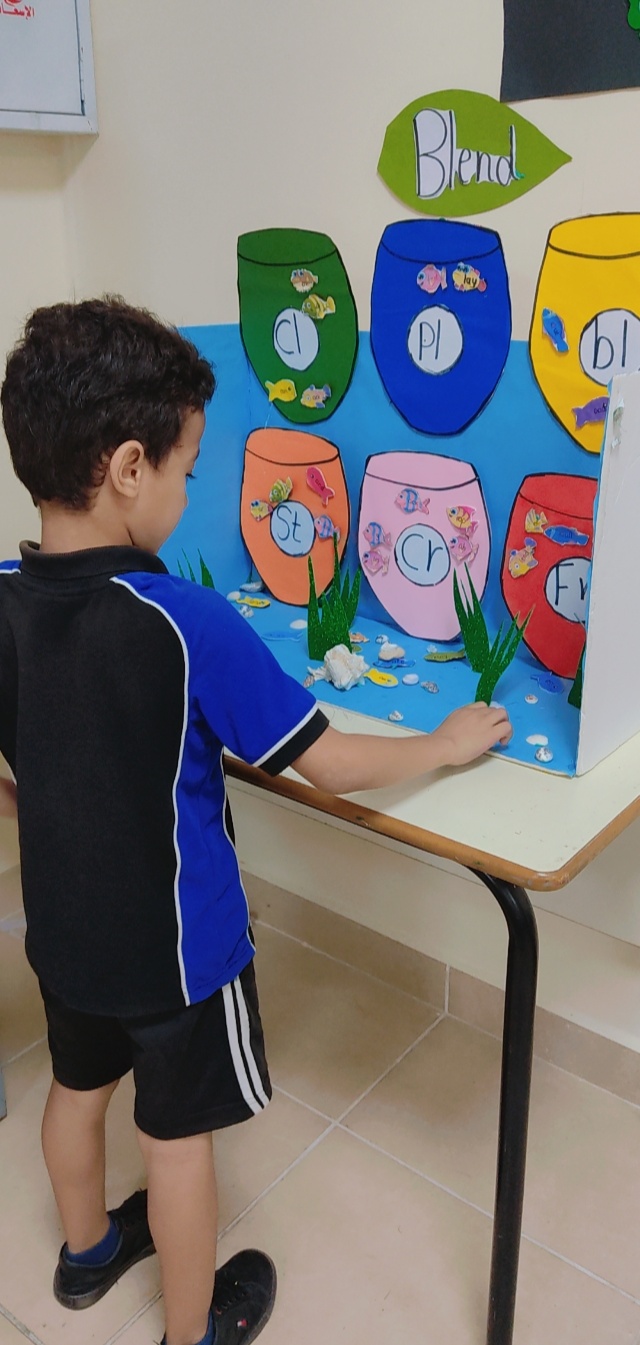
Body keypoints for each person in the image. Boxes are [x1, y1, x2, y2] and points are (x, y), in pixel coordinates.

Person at [0, 297, 512, 1345]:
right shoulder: (185, 619)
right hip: (181, 955)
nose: (189, 493)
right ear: (129, 468)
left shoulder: (2, 594)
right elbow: (328, 762)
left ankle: (87, 1253)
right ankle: (192, 1331)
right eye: (188, 471)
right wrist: (442, 744)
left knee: (78, 1087)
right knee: (177, 1140)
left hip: (63, 930)